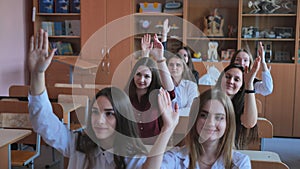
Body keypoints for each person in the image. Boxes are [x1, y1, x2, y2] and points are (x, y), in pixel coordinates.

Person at [28, 29, 148, 168]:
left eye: (109, 114)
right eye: (95, 112)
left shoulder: (134, 158)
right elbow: (43, 121)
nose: (99, 120)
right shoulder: (78, 144)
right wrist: (37, 74)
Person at [142, 89, 251, 169]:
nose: (210, 123)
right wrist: (168, 127)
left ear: (228, 124)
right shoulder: (177, 157)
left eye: (219, 117)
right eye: (204, 115)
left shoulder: (239, 163)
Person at [125, 34, 175, 144]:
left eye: (147, 76)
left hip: (153, 148)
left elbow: (170, 91)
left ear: (153, 78)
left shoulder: (157, 95)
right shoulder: (126, 95)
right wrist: (145, 55)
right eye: (138, 75)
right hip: (130, 148)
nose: (141, 79)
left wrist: (160, 58)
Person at [215, 62, 260, 149]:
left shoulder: (242, 105)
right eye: (227, 77)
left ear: (241, 87)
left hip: (230, 151)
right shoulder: (208, 100)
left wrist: (249, 84)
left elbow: (249, 123)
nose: (231, 81)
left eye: (236, 79)